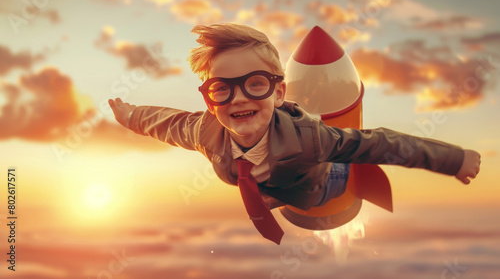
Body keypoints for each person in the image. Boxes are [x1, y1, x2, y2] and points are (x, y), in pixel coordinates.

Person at [108, 23, 481, 244]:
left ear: (279, 92)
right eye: (222, 88)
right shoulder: (205, 131)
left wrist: (455, 159)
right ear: (208, 101)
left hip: (327, 181)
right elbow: (165, 122)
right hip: (284, 191)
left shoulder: (311, 140)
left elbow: (381, 144)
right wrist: (129, 116)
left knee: (347, 161)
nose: (237, 97)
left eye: (254, 83)